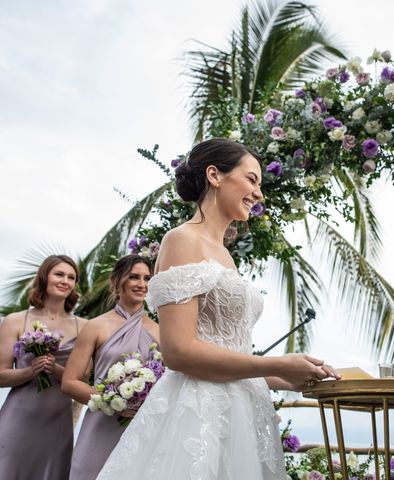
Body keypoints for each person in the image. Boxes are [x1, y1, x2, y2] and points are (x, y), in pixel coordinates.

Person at [96, 138, 340, 480]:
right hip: (198, 414)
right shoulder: (182, 240)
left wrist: (287, 377)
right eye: (252, 179)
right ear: (215, 175)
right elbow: (180, 352)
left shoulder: (225, 253)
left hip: (241, 412)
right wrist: (276, 362)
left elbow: (226, 350)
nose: (259, 194)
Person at [62, 254, 159, 480]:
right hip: (100, 424)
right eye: (134, 277)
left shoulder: (158, 330)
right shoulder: (95, 326)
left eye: (147, 278)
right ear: (117, 281)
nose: (142, 284)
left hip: (143, 429)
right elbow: (69, 382)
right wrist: (110, 400)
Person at [0, 254, 87, 479]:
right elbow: (0, 376)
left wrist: (56, 370)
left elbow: (85, 377)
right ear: (44, 276)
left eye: (71, 277)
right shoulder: (15, 320)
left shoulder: (84, 327)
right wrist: (32, 370)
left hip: (58, 424)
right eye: (59, 274)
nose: (65, 281)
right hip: (18, 420)